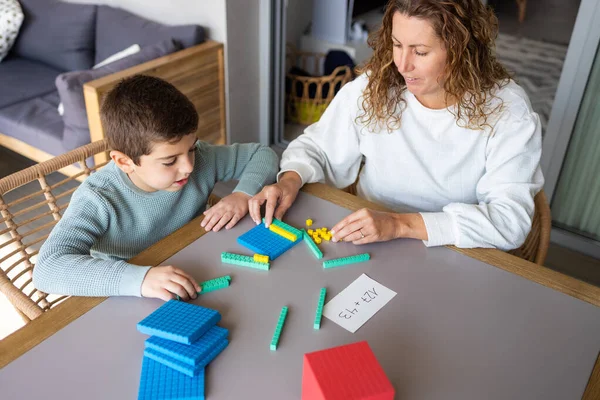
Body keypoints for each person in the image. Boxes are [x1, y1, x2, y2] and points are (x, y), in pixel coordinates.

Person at [249, 0, 543, 250]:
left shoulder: (508, 112)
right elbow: (318, 148)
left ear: (461, 51)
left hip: (452, 248)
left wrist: (400, 224)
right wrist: (289, 180)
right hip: (371, 238)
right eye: (397, 44)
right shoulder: (376, 84)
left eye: (420, 51)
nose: (401, 65)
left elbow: (509, 220)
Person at [34, 75, 278, 301]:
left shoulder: (200, 158)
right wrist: (140, 279)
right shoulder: (98, 198)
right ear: (124, 162)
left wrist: (242, 194)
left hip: (199, 265)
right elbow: (47, 269)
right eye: (170, 161)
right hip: (136, 291)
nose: (188, 167)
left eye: (191, 148)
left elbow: (262, 154)